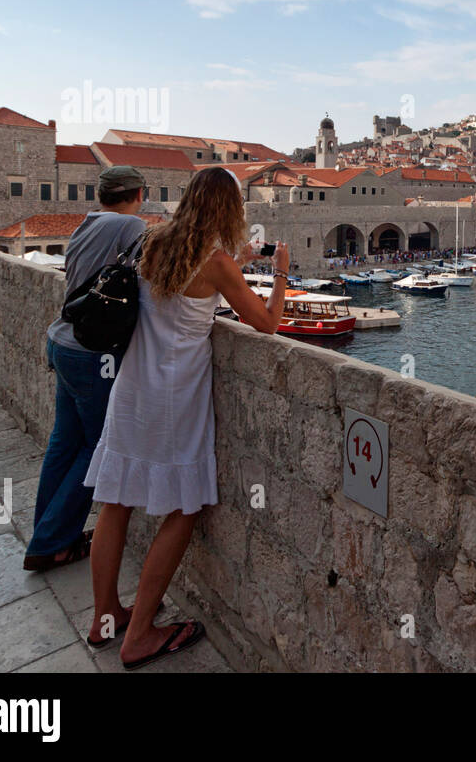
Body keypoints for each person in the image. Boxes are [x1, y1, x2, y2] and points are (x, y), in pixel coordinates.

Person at [83, 167, 289, 669]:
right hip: (175, 399)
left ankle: (105, 617)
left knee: (114, 502)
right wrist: (280, 271)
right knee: (185, 508)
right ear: (230, 210)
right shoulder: (217, 263)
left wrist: (230, 260)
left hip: (131, 389)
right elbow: (266, 323)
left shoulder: (153, 243)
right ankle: (140, 636)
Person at [23, 166, 148, 572]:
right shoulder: (129, 224)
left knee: (64, 442)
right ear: (138, 193)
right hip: (92, 353)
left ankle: (48, 534)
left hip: (62, 340)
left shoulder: (88, 222)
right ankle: (52, 543)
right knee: (96, 448)